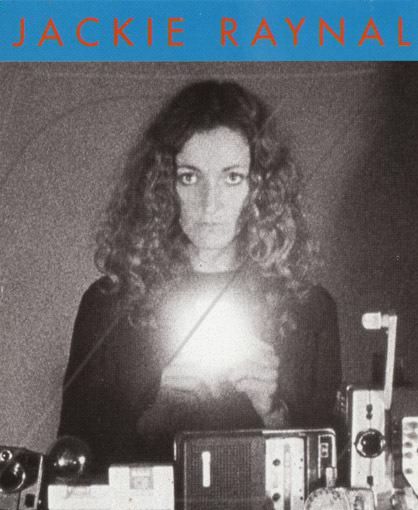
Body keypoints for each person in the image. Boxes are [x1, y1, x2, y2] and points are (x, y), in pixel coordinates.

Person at [58, 80, 342, 471]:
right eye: (189, 177)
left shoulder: (310, 309)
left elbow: (335, 479)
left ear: (261, 188)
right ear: (162, 186)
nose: (211, 204)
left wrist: (273, 410)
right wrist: (157, 417)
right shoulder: (108, 305)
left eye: (232, 177)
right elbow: (69, 466)